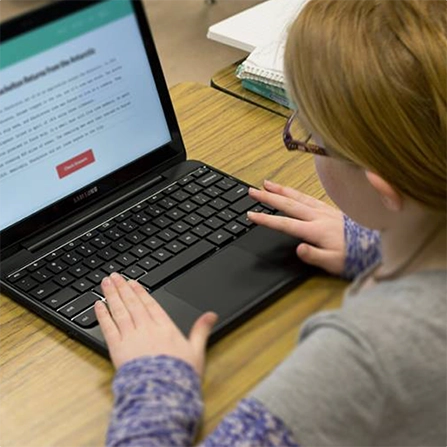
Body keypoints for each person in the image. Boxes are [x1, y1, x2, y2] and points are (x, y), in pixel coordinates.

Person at [94, 0, 447, 445]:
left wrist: (157, 385)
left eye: (311, 136)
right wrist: (383, 239)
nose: (300, 137)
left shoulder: (361, 360)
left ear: (384, 192)